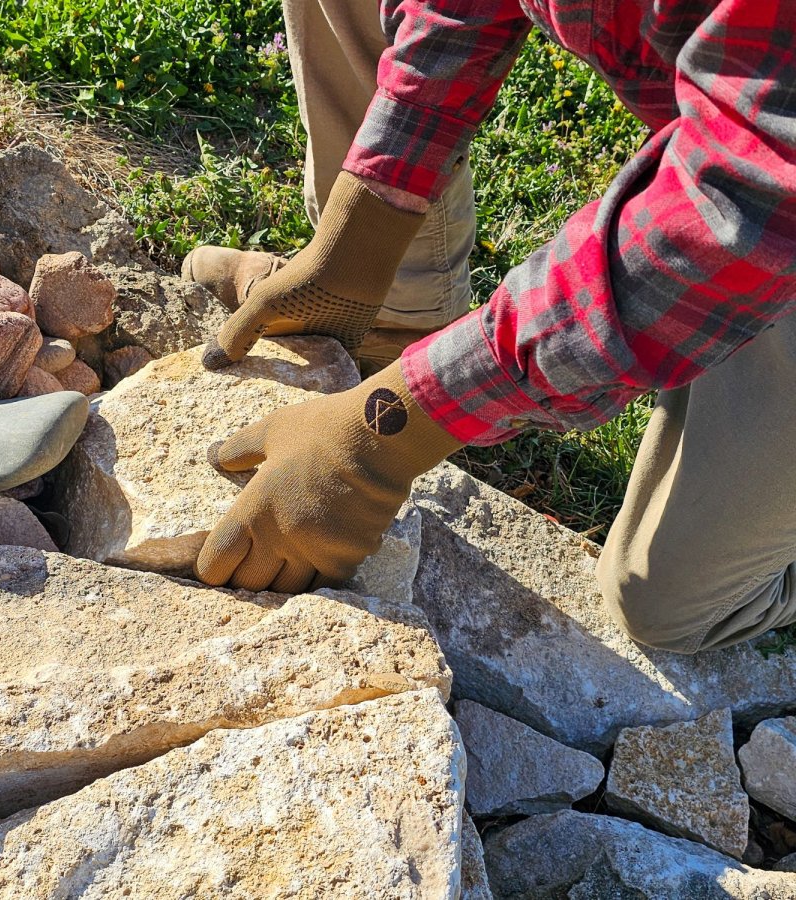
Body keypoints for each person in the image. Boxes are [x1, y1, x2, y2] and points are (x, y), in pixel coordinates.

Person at [183, 0, 796, 654]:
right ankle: (396, 317)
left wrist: (393, 426)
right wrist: (357, 241)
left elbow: (745, 205)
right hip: (738, 154)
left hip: (769, 205)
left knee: (664, 604)